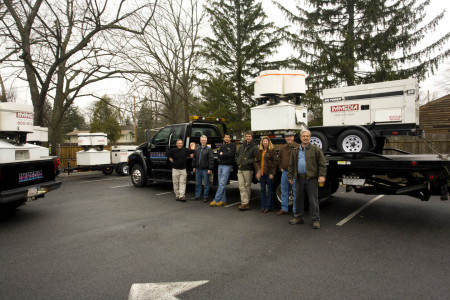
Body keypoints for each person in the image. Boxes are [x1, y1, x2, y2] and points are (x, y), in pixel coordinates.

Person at [288, 129, 327, 229]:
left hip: (311, 179)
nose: (305, 138)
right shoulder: (295, 150)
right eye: (303, 136)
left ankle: (316, 220)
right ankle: (298, 217)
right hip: (299, 178)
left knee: (313, 200)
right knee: (298, 199)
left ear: (309, 138)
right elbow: (291, 165)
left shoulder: (315, 149)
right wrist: (290, 176)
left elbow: (322, 164)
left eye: (307, 136)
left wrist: (322, 175)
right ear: (300, 137)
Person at [277, 131, 299, 216]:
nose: (288, 138)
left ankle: (295, 210)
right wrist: (280, 168)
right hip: (285, 172)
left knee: (295, 192)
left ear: (293, 138)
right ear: (285, 138)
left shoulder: (297, 147)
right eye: (287, 137)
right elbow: (279, 159)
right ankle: (284, 209)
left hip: (294, 173)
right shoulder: (283, 148)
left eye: (290, 137)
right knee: (284, 191)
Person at [211, 133, 236, 207]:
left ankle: (216, 200)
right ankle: (223, 200)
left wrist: (223, 154)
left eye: (228, 137)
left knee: (222, 183)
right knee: (221, 184)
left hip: (227, 166)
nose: (227, 138)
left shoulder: (232, 145)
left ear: (230, 138)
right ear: (224, 138)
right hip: (220, 165)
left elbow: (231, 154)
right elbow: (218, 154)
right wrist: (223, 154)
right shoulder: (222, 146)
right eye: (225, 137)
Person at [236, 131, 258, 211]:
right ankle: (244, 202)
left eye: (249, 136)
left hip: (248, 169)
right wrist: (238, 161)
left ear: (252, 137)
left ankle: (245, 203)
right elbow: (237, 155)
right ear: (245, 137)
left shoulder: (255, 147)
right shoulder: (242, 146)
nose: (248, 137)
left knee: (247, 186)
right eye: (247, 136)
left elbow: (256, 158)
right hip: (240, 168)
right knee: (241, 186)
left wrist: (247, 161)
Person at [254, 136, 277, 213]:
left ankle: (268, 207)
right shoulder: (260, 151)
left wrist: (272, 173)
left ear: (269, 142)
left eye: (266, 141)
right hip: (262, 174)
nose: (265, 143)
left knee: (270, 190)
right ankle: (263, 206)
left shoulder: (272, 150)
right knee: (262, 190)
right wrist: (258, 171)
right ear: (262, 143)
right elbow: (256, 162)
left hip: (269, 173)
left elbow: (274, 163)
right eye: (263, 141)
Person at [192, 135, 214, 202]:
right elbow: (194, 158)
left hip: (205, 169)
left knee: (206, 184)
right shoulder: (197, 149)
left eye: (204, 140)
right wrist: (194, 166)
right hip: (198, 169)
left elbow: (211, 160)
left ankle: (205, 196)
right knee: (198, 183)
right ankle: (197, 196)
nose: (203, 141)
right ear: (200, 141)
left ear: (206, 141)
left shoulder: (209, 149)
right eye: (202, 140)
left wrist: (209, 168)